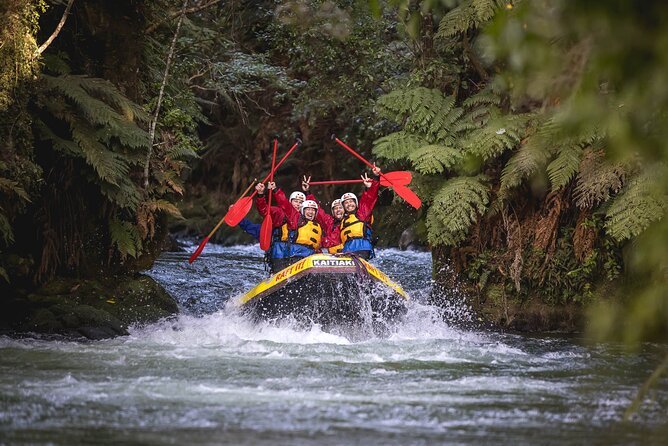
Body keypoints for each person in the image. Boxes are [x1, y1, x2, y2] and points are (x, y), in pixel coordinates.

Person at [271, 179, 327, 260]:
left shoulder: (318, 224)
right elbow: (284, 203)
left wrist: (308, 192)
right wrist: (275, 190)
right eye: (308, 209)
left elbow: (319, 210)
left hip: (311, 254)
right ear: (303, 210)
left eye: (313, 210)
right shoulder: (296, 218)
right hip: (295, 253)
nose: (310, 212)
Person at [339, 166, 381, 259]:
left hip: (362, 247)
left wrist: (375, 178)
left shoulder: (362, 213)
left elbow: (370, 198)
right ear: (343, 206)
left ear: (356, 203)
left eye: (351, 202)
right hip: (347, 249)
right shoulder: (342, 220)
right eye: (346, 203)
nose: (349, 204)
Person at [254, 182, 293, 273]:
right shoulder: (279, 212)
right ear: (290, 202)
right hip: (279, 252)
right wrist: (260, 195)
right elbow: (263, 210)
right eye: (296, 201)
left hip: (297, 253)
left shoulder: (306, 217)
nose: (298, 204)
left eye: (300, 202)